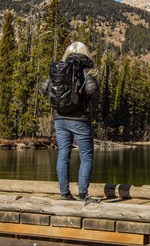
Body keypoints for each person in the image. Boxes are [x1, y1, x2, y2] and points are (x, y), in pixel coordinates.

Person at [40, 41, 100, 203]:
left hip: (60, 119)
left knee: (63, 155)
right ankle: (83, 194)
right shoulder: (85, 71)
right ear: (86, 53)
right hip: (79, 119)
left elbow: (43, 88)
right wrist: (87, 98)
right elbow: (92, 90)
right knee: (86, 156)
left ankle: (65, 194)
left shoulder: (59, 71)